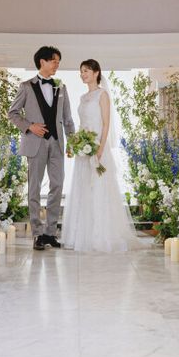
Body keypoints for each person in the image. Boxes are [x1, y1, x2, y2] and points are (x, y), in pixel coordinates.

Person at [62, 59, 141, 253]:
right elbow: (82, 125)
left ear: (96, 72)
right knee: (83, 188)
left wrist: (100, 148)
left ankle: (101, 236)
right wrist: (74, 144)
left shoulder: (102, 95)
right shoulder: (83, 97)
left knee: (98, 188)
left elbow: (106, 124)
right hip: (83, 149)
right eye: (81, 71)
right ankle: (81, 235)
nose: (83, 74)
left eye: (86, 71)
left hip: (98, 147)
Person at [8, 46, 75, 250]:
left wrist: (72, 141)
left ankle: (50, 233)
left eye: (58, 62)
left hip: (57, 143)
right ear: (42, 62)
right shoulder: (26, 86)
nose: (57, 65)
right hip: (35, 144)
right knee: (34, 189)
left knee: (57, 186)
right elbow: (13, 113)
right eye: (54, 61)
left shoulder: (61, 87)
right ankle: (37, 234)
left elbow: (67, 118)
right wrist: (30, 126)